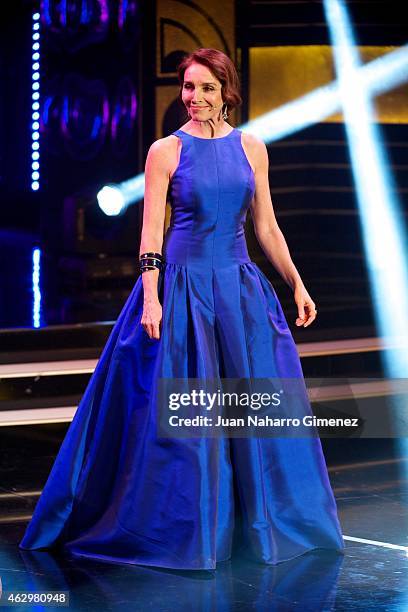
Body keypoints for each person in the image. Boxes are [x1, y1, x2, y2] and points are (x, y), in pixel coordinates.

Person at [19, 48, 345, 570]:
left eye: (206, 88)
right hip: (182, 290)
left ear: (226, 90)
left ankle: (257, 524)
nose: (194, 98)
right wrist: (151, 296)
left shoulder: (252, 147)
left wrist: (296, 283)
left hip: (238, 290)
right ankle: (180, 529)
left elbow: (266, 227)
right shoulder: (164, 152)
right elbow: (151, 232)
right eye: (188, 87)